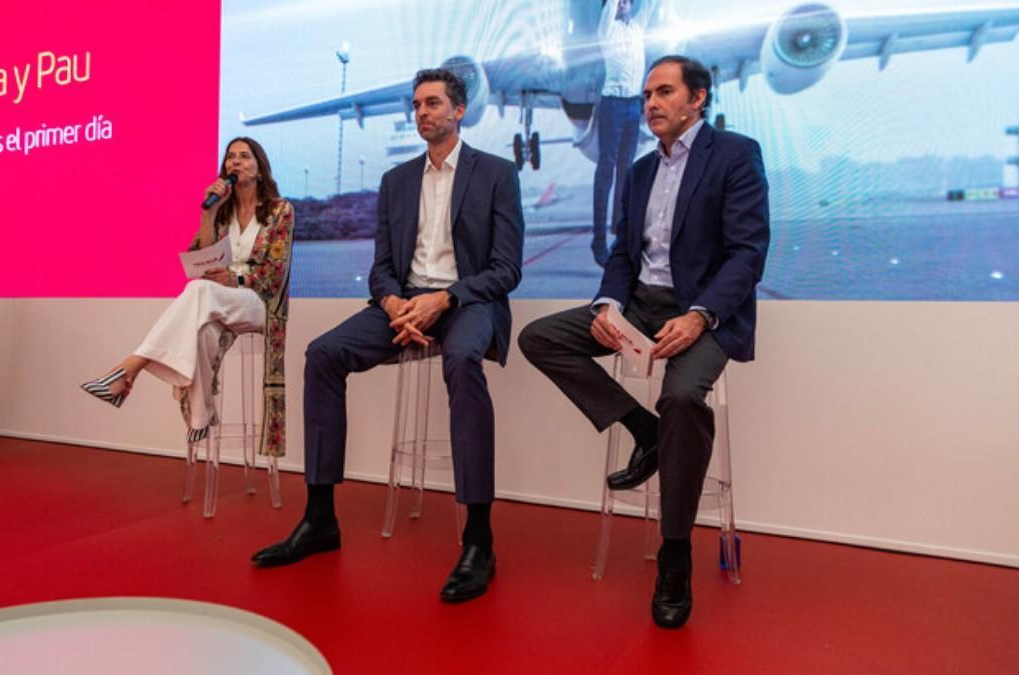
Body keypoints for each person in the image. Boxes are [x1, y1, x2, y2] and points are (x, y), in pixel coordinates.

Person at [251, 67, 524, 603]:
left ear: (459, 110)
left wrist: (443, 299)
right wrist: (395, 301)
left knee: (462, 360)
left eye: (433, 104)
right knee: (323, 354)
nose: (422, 112)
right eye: (417, 105)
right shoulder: (396, 181)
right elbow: (380, 268)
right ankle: (321, 518)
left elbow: (506, 268)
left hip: (464, 300)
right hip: (404, 303)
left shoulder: (496, 173)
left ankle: (478, 539)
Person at [519, 55, 769, 628]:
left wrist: (701, 315)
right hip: (637, 307)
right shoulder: (637, 172)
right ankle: (642, 431)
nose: (650, 104)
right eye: (646, 95)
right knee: (540, 339)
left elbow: (748, 252)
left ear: (697, 99)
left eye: (664, 92)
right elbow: (624, 257)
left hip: (701, 314)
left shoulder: (734, 156)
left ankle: (675, 554)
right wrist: (607, 305)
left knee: (681, 399)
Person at [80, 137, 294, 457]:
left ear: (260, 168)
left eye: (245, 156)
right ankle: (200, 417)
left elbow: (277, 271)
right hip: (219, 300)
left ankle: (129, 369)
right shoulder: (221, 212)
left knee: (198, 291)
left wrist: (235, 277)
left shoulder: (280, 210)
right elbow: (202, 261)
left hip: (260, 302)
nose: (236, 162)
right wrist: (208, 215)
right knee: (202, 331)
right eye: (230, 157)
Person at [592, 0, 656, 266]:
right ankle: (598, 240)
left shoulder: (637, 29)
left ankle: (619, 236)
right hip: (613, 105)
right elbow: (611, 7)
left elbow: (651, 5)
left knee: (626, 170)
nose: (624, 4)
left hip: (633, 105)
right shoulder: (607, 28)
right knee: (606, 168)